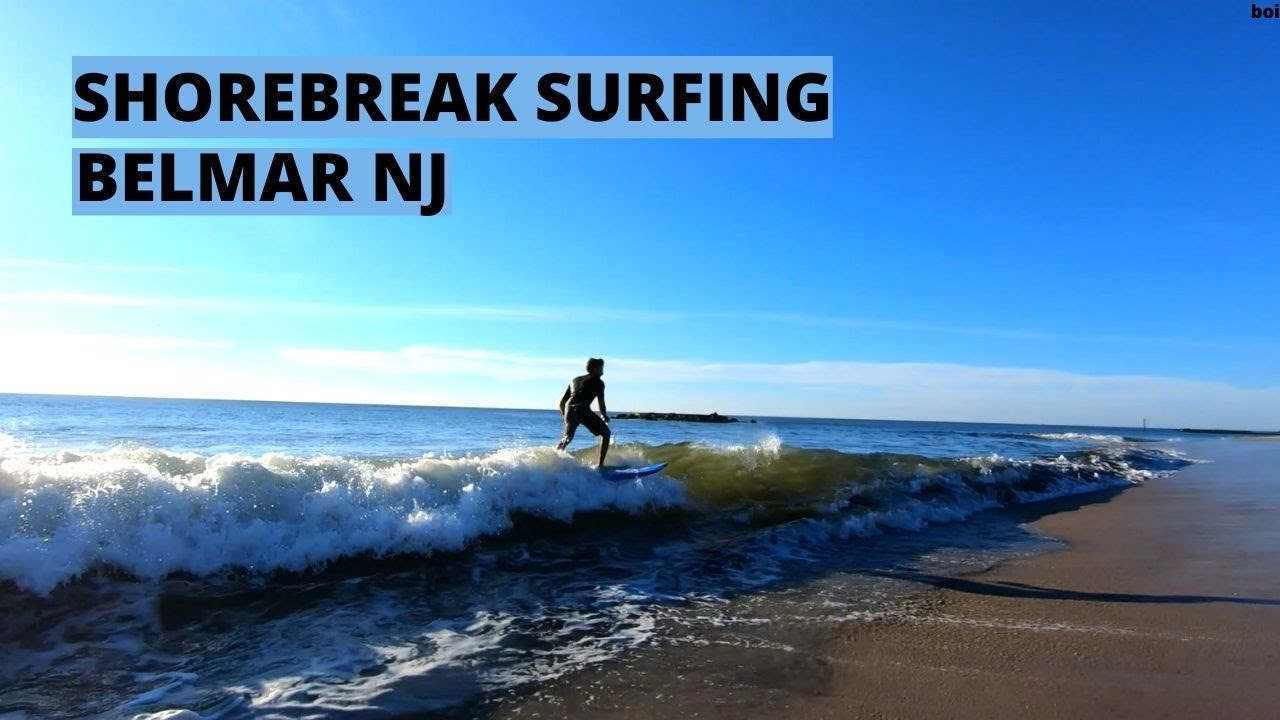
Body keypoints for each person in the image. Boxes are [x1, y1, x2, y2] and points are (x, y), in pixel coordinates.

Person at [555, 357, 610, 467]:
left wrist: (566, 417)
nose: (602, 369)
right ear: (594, 369)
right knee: (606, 433)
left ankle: (554, 460)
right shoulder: (599, 383)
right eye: (600, 367)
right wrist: (603, 416)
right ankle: (600, 466)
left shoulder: (574, 380)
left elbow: (562, 403)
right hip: (581, 409)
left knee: (566, 439)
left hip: (568, 410)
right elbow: (601, 402)